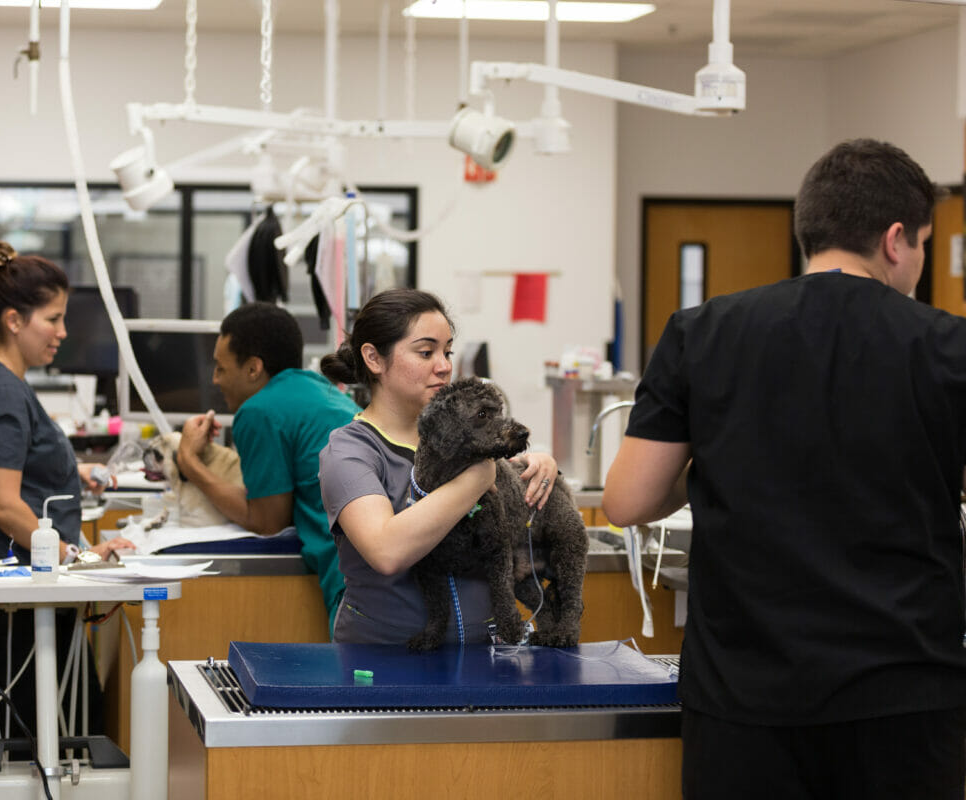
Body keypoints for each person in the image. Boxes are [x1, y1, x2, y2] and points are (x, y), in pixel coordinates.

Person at [602, 139, 966, 800]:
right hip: (904, 694)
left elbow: (628, 500)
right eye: (921, 246)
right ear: (894, 239)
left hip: (746, 699)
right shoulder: (947, 346)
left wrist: (716, 461)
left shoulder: (701, 332)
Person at [0, 241, 133, 749]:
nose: (63, 332)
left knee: (53, 726)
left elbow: (19, 466)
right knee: (27, 736)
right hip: (15, 596)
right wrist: (79, 556)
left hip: (27, 590)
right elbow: (2, 503)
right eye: (53, 319)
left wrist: (75, 467)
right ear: (13, 320)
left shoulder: (6, 383)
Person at [317, 288, 558, 644]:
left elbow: (510, 503)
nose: (444, 366)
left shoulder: (465, 442)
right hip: (384, 659)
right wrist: (477, 479)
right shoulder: (350, 452)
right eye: (426, 352)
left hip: (484, 654)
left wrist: (539, 465)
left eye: (447, 352)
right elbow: (386, 550)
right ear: (373, 358)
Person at [177, 302, 360, 636]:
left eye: (220, 368)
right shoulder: (323, 392)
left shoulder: (259, 411)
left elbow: (266, 520)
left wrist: (188, 461)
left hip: (352, 585)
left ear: (253, 369)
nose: (215, 379)